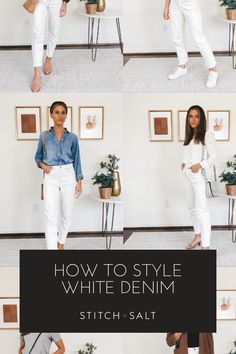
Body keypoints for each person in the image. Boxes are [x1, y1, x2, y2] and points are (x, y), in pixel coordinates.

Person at [35, 101, 83, 250]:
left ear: (66, 115)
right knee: (50, 215)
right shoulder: (44, 136)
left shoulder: (73, 138)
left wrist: (79, 181)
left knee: (67, 214)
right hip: (51, 175)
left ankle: (60, 241)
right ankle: (52, 249)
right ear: (51, 114)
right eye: (57, 112)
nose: (60, 115)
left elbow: (77, 159)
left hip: (69, 175)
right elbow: (37, 157)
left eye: (63, 112)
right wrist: (44, 166)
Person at [182, 105, 217, 250]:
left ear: (201, 118)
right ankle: (197, 236)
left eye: (197, 116)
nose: (193, 119)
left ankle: (205, 245)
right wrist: (183, 164)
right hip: (187, 174)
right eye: (191, 116)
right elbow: (188, 153)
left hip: (198, 176)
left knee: (202, 210)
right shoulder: (190, 134)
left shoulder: (207, 134)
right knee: (192, 208)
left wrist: (200, 165)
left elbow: (214, 157)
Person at [163, 0, 218, 88]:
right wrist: (166, 7)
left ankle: (213, 70)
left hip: (190, 4)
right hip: (175, 4)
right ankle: (182, 67)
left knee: (198, 38)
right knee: (177, 37)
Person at [31, 0, 70, 92]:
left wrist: (65, 3)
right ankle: (37, 75)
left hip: (56, 2)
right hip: (40, 1)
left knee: (54, 31)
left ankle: (48, 59)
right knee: (37, 34)